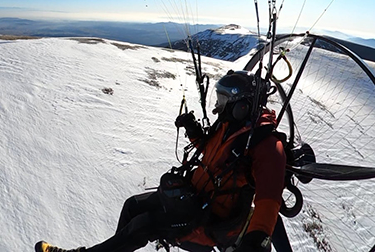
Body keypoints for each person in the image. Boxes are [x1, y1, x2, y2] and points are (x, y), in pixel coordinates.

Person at [35, 70, 288, 252]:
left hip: (210, 222)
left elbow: (269, 201)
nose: (217, 107)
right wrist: (192, 129)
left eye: (223, 101)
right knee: (133, 206)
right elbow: (212, 156)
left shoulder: (267, 146)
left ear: (241, 106)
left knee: (143, 225)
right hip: (192, 200)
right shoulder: (230, 127)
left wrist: (255, 241)